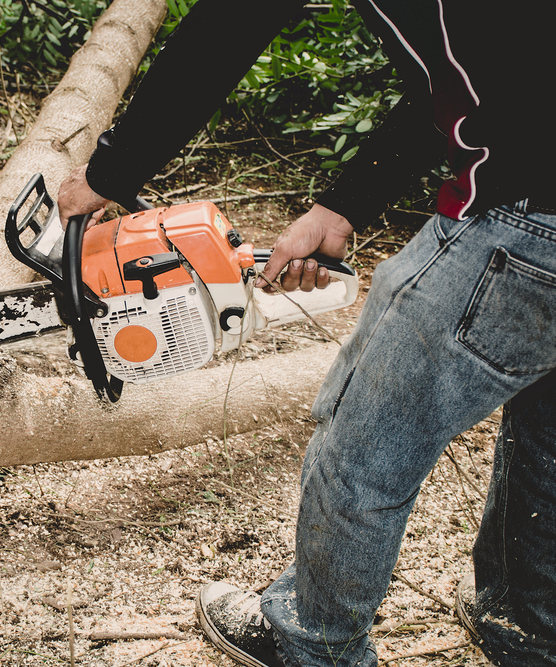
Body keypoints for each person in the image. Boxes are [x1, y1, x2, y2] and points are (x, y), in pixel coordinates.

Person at [58, 1, 556, 666]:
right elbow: (479, 78)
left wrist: (110, 171)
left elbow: (229, 24)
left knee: (364, 440)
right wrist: (344, 203)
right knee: (548, 430)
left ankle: (312, 640)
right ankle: (529, 625)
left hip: (527, 220)